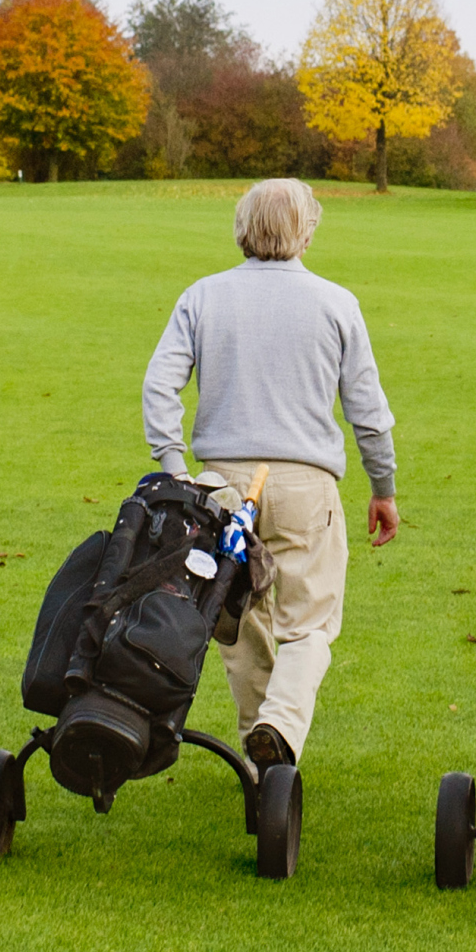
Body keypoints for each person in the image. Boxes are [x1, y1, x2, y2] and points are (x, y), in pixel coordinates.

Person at [140, 177, 400, 770]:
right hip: (307, 485)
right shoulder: (336, 303)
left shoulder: (203, 296)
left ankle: (263, 762)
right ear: (306, 231)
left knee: (238, 626)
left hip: (222, 486)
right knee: (308, 625)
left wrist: (175, 469)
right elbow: (369, 413)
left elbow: (160, 385)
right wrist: (382, 488)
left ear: (242, 228)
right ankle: (277, 730)